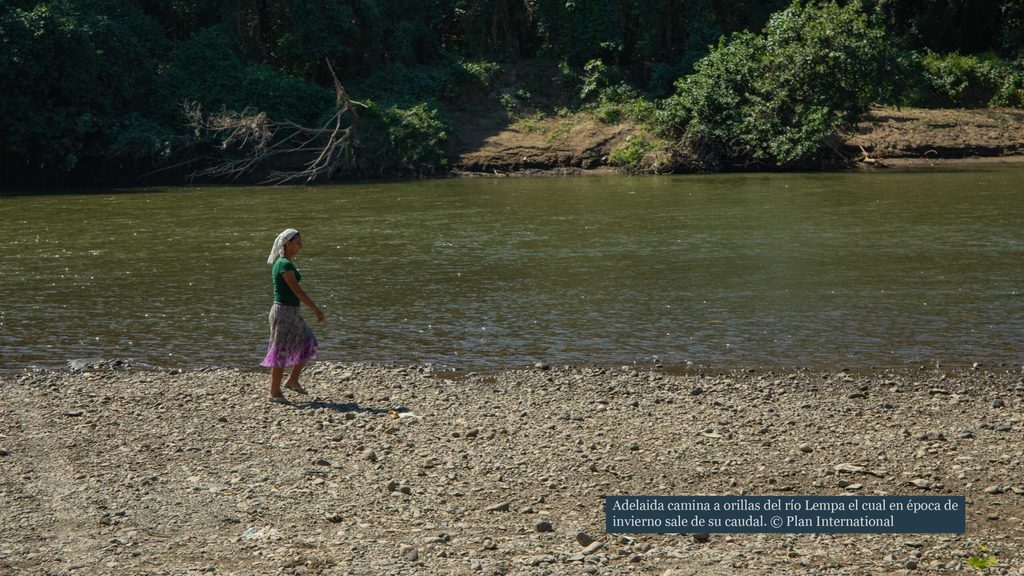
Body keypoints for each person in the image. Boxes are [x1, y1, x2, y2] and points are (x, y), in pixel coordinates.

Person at [261, 228, 325, 402]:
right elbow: (297, 290)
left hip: (291, 312)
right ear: (287, 243)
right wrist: (315, 309)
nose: (300, 247)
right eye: (297, 243)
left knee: (308, 342)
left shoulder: (287, 263)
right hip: (283, 312)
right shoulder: (283, 264)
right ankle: (274, 392)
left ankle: (293, 380)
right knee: (279, 351)